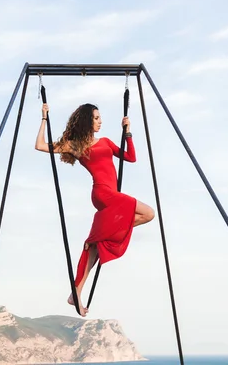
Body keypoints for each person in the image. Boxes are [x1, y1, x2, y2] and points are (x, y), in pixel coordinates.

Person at [35, 102, 155, 316]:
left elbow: (131, 157)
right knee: (149, 213)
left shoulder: (107, 142)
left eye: (100, 118)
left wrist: (127, 133)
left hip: (111, 195)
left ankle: (76, 294)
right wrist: (44, 118)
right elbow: (41, 146)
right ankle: (104, 237)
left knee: (94, 249)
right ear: (86, 121)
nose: (100, 122)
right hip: (102, 194)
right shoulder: (75, 146)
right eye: (96, 118)